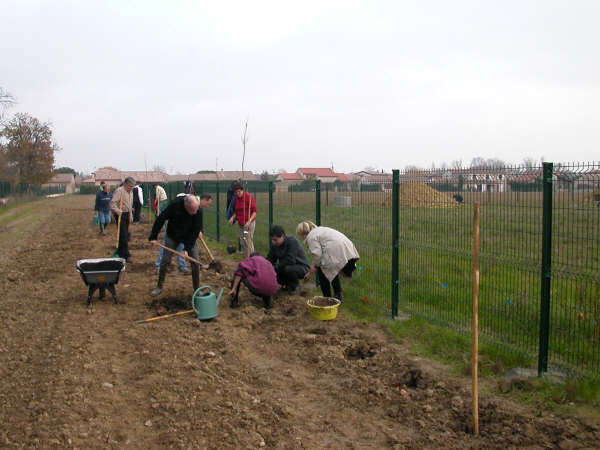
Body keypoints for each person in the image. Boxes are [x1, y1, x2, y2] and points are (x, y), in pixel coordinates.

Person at [148, 194, 210, 296]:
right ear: (186, 206)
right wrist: (153, 236)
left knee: (195, 262)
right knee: (165, 261)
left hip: (189, 237)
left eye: (196, 210)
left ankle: (197, 289)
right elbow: (161, 218)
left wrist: (186, 249)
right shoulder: (175, 205)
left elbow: (195, 231)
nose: (195, 213)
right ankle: (159, 286)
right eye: (192, 211)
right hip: (173, 235)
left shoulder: (198, 210)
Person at [296, 221, 359, 303]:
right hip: (348, 250)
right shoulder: (320, 230)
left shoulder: (311, 237)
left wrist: (314, 267)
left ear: (302, 234)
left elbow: (317, 255)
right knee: (331, 270)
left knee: (322, 271)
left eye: (300, 235)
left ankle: (326, 298)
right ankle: (339, 295)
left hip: (337, 252)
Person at [267, 225, 310, 295]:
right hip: (286, 266)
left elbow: (290, 259)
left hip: (302, 267)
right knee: (273, 270)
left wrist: (276, 266)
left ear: (283, 236)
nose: (273, 242)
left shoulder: (292, 242)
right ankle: (288, 286)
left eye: (275, 240)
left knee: (287, 269)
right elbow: (270, 259)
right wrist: (266, 266)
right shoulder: (275, 246)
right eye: (272, 240)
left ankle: (296, 286)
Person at [227, 182, 257, 258]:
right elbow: (236, 212)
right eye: (236, 192)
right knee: (243, 242)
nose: (238, 193)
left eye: (239, 191)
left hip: (248, 224)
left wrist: (249, 221)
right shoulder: (236, 199)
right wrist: (232, 218)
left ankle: (253, 259)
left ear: (242, 190)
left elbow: (254, 212)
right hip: (240, 224)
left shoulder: (249, 198)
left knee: (248, 241)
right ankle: (246, 258)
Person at [110, 177, 135, 262]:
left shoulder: (131, 192)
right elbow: (112, 203)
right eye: (130, 186)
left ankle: (121, 252)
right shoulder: (119, 191)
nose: (131, 188)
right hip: (120, 214)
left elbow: (130, 205)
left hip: (127, 214)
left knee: (125, 234)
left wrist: (130, 214)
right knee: (123, 235)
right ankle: (127, 255)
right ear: (125, 184)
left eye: (132, 186)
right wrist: (117, 210)